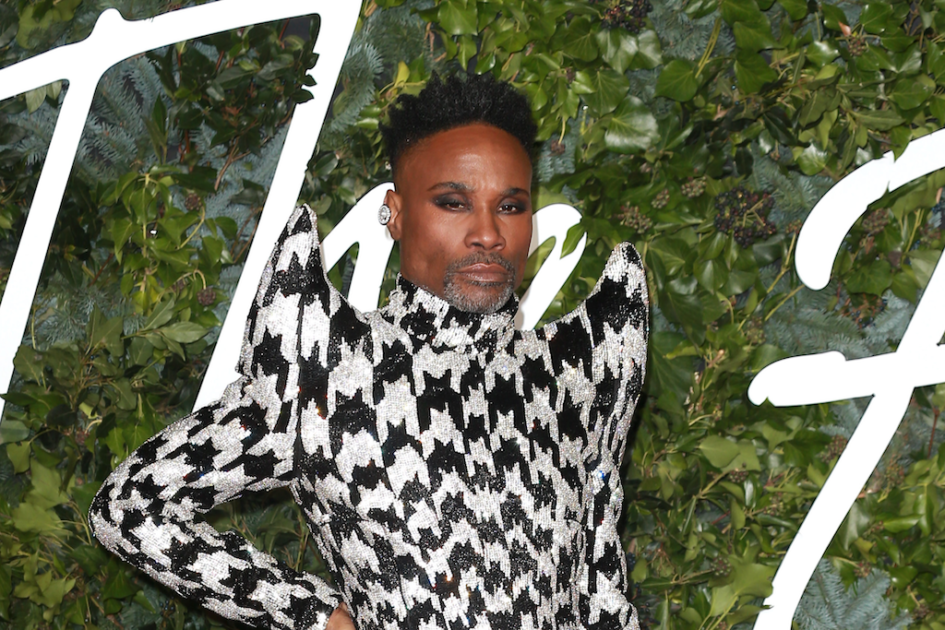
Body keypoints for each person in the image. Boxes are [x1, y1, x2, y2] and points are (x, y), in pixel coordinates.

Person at [89, 72, 648, 630]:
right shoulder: (329, 368)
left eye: (510, 206)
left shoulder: (575, 372)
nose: (488, 234)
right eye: (454, 202)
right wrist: (315, 615)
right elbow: (132, 509)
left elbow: (600, 584)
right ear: (396, 213)